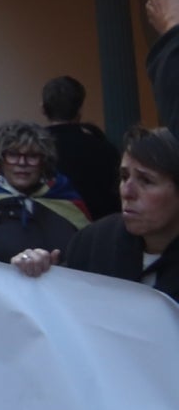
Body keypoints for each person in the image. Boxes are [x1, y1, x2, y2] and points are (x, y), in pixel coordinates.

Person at [10, 125, 179, 299]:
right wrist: (39, 272)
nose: (127, 192)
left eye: (146, 180)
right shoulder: (93, 242)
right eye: (124, 177)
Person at [0, 120, 90, 262]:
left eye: (32, 156)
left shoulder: (64, 198)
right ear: (0, 160)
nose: (22, 163)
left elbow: (86, 254)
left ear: (44, 162)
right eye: (13, 155)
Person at [42, 75, 121, 224]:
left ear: (43, 109)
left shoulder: (34, 152)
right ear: (79, 109)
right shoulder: (104, 149)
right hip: (100, 232)